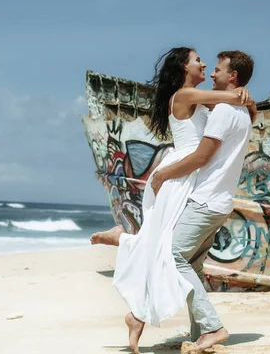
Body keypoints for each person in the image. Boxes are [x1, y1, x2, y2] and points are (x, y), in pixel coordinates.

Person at [90, 47, 256, 354]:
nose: (205, 64)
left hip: (190, 176)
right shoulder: (183, 96)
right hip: (179, 174)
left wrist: (243, 97)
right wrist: (243, 95)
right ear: (183, 67)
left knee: (168, 251)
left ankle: (138, 308)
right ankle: (126, 240)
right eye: (197, 60)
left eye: (211, 64)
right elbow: (230, 99)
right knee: (167, 249)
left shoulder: (202, 97)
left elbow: (229, 102)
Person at [150, 50, 255, 352]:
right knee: (192, 264)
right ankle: (202, 335)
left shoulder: (220, 109)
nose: (209, 70)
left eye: (217, 68)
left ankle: (212, 327)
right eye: (201, 62)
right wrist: (245, 98)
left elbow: (201, 156)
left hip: (205, 198)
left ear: (232, 76)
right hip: (220, 201)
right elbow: (240, 104)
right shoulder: (234, 110)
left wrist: (162, 175)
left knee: (173, 255)